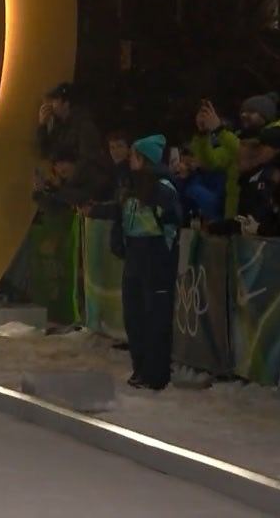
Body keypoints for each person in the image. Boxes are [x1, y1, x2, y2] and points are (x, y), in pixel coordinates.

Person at [87, 135, 181, 390]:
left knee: (156, 317)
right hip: (135, 258)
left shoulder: (163, 189)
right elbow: (120, 213)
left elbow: (172, 224)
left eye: (135, 156)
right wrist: (116, 238)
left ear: (145, 159)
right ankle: (140, 369)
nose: (130, 159)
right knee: (134, 317)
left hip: (155, 258)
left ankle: (156, 374)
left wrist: (164, 253)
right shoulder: (131, 187)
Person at [206, 126, 280, 237]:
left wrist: (260, 229)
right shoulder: (253, 175)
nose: (258, 150)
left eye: (263, 146)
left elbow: (265, 218)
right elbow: (245, 219)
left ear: (276, 150)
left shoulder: (272, 175)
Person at [37, 82, 103, 168]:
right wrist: (43, 126)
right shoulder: (60, 125)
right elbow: (46, 152)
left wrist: (69, 172)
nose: (51, 105)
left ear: (66, 104)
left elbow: (88, 161)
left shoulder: (84, 125)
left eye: (55, 100)